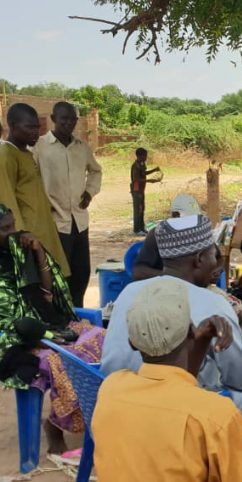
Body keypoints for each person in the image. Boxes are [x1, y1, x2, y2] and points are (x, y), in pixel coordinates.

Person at [101, 214, 242, 459]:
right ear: (199, 259)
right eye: (214, 256)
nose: (216, 266)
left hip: (121, 409)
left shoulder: (129, 293)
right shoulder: (213, 304)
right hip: (178, 420)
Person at [92, 278, 242, 482]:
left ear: (132, 343)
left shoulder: (110, 390)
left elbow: (177, 387)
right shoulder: (215, 415)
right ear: (191, 332)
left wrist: (203, 339)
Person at [0, 203, 105, 454]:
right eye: (4, 229)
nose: (13, 232)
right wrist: (33, 334)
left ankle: (100, 418)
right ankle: (54, 426)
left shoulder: (20, 251)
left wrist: (38, 255)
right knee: (61, 361)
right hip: (12, 337)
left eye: (12, 225)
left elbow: (47, 296)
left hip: (44, 324)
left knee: (103, 340)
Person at [34, 101, 103, 307]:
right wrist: (44, 204)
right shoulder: (39, 147)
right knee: (60, 274)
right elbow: (32, 179)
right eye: (64, 119)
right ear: (54, 119)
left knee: (81, 271)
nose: (68, 123)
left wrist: (89, 192)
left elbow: (96, 170)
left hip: (79, 221)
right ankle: (62, 315)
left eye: (72, 119)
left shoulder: (81, 148)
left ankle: (78, 312)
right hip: (56, 221)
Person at [0, 103, 69, 277]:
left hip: (44, 230)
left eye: (37, 127)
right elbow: (7, 202)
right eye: (29, 127)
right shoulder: (7, 156)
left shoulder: (26, 153)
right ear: (13, 126)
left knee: (55, 283)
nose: (35, 132)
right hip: (28, 237)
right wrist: (20, 237)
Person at [132, 193, 201, 280]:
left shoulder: (198, 234)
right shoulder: (157, 235)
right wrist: (168, 277)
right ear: (175, 216)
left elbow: (217, 258)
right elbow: (138, 272)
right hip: (164, 288)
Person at [130, 147, 161, 235]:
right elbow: (136, 179)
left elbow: (144, 173)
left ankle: (142, 228)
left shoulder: (142, 163)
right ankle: (137, 230)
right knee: (138, 209)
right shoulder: (135, 165)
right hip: (136, 190)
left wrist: (154, 170)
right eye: (144, 156)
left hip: (141, 189)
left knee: (142, 208)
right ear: (139, 156)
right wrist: (149, 180)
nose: (146, 157)